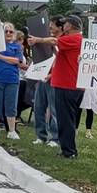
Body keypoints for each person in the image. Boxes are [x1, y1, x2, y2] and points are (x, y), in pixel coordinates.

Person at [30, 15, 83, 159]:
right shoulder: (74, 39)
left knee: (66, 119)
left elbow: (54, 41)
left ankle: (69, 151)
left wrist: (38, 40)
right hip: (67, 85)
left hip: (68, 85)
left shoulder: (74, 38)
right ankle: (68, 149)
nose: (63, 25)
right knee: (66, 119)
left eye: (65, 23)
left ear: (69, 26)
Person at [0, 22, 24, 140]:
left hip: (12, 79)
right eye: (6, 31)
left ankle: (12, 130)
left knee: (11, 105)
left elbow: (17, 61)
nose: (8, 33)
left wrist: (0, 57)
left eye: (11, 31)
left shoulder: (17, 46)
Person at [31, 17, 63, 147]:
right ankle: (41, 135)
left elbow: (55, 44)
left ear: (60, 27)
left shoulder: (61, 41)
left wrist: (39, 40)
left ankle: (55, 137)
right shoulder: (48, 40)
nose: (50, 28)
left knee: (54, 108)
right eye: (49, 25)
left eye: (52, 26)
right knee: (38, 106)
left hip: (54, 79)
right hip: (42, 76)